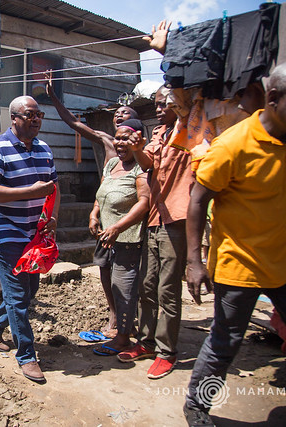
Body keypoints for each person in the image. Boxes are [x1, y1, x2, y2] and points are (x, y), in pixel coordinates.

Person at [183, 60, 286, 426]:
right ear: (274, 98)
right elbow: (197, 201)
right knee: (224, 342)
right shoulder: (232, 145)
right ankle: (196, 407)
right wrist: (195, 261)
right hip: (240, 265)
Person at [45, 70, 139, 335]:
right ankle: (114, 315)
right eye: (117, 115)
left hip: (129, 224)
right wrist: (52, 96)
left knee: (129, 274)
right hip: (106, 218)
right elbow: (74, 123)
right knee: (105, 269)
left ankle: (129, 320)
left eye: (126, 113)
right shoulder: (107, 142)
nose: (120, 115)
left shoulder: (142, 156)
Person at [0, 96, 60, 383]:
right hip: (5, 232)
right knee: (18, 296)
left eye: (39, 114)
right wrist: (29, 193)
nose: (35, 119)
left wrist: (52, 218)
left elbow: (52, 188)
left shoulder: (44, 149)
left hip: (33, 233)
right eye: (29, 114)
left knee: (30, 289)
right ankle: (26, 355)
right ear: (13, 118)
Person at [116, 86, 192, 379]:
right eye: (157, 104)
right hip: (154, 217)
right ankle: (146, 342)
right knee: (147, 285)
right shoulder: (158, 133)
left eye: (165, 104)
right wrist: (137, 148)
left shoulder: (191, 131)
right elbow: (147, 164)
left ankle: (166, 351)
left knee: (168, 289)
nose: (159, 109)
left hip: (177, 216)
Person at [89, 119, 150, 356]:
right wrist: (94, 214)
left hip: (126, 238)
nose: (120, 142)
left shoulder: (139, 168)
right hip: (106, 236)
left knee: (124, 287)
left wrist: (117, 227)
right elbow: (101, 193)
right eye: (118, 137)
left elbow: (144, 203)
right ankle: (122, 326)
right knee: (109, 282)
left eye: (126, 138)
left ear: (137, 141)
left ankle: (124, 338)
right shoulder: (112, 163)